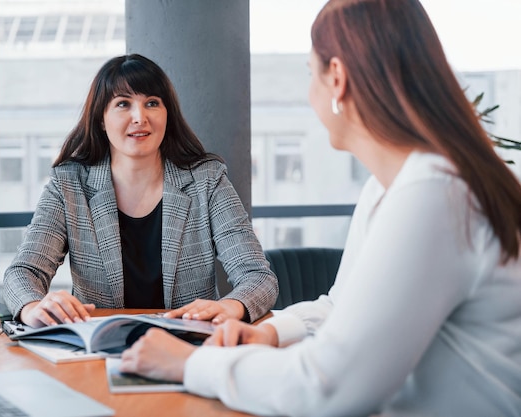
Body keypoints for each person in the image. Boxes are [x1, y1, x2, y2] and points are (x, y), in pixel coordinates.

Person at [118, 1, 521, 416]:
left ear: (338, 79)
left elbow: (328, 387)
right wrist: (270, 333)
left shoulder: (434, 195)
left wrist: (190, 363)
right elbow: (341, 307)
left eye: (311, 74)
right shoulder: (392, 187)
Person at [2, 54, 278, 328]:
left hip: (187, 349)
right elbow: (23, 272)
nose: (140, 117)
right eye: (123, 104)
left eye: (152, 103)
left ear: (167, 114)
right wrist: (33, 308)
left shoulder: (207, 180)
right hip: (99, 350)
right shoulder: (69, 185)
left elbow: (258, 277)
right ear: (101, 118)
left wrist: (230, 307)